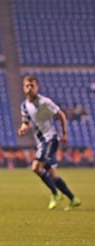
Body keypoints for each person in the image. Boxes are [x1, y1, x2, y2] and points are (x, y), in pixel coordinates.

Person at [18, 75, 81, 211]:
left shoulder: (44, 102)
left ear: (37, 87)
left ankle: (55, 193)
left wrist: (64, 133)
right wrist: (23, 129)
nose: (29, 88)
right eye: (27, 86)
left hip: (49, 139)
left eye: (32, 85)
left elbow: (61, 114)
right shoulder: (24, 105)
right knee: (52, 173)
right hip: (41, 142)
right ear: (23, 88)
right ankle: (73, 198)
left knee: (36, 167)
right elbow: (26, 122)